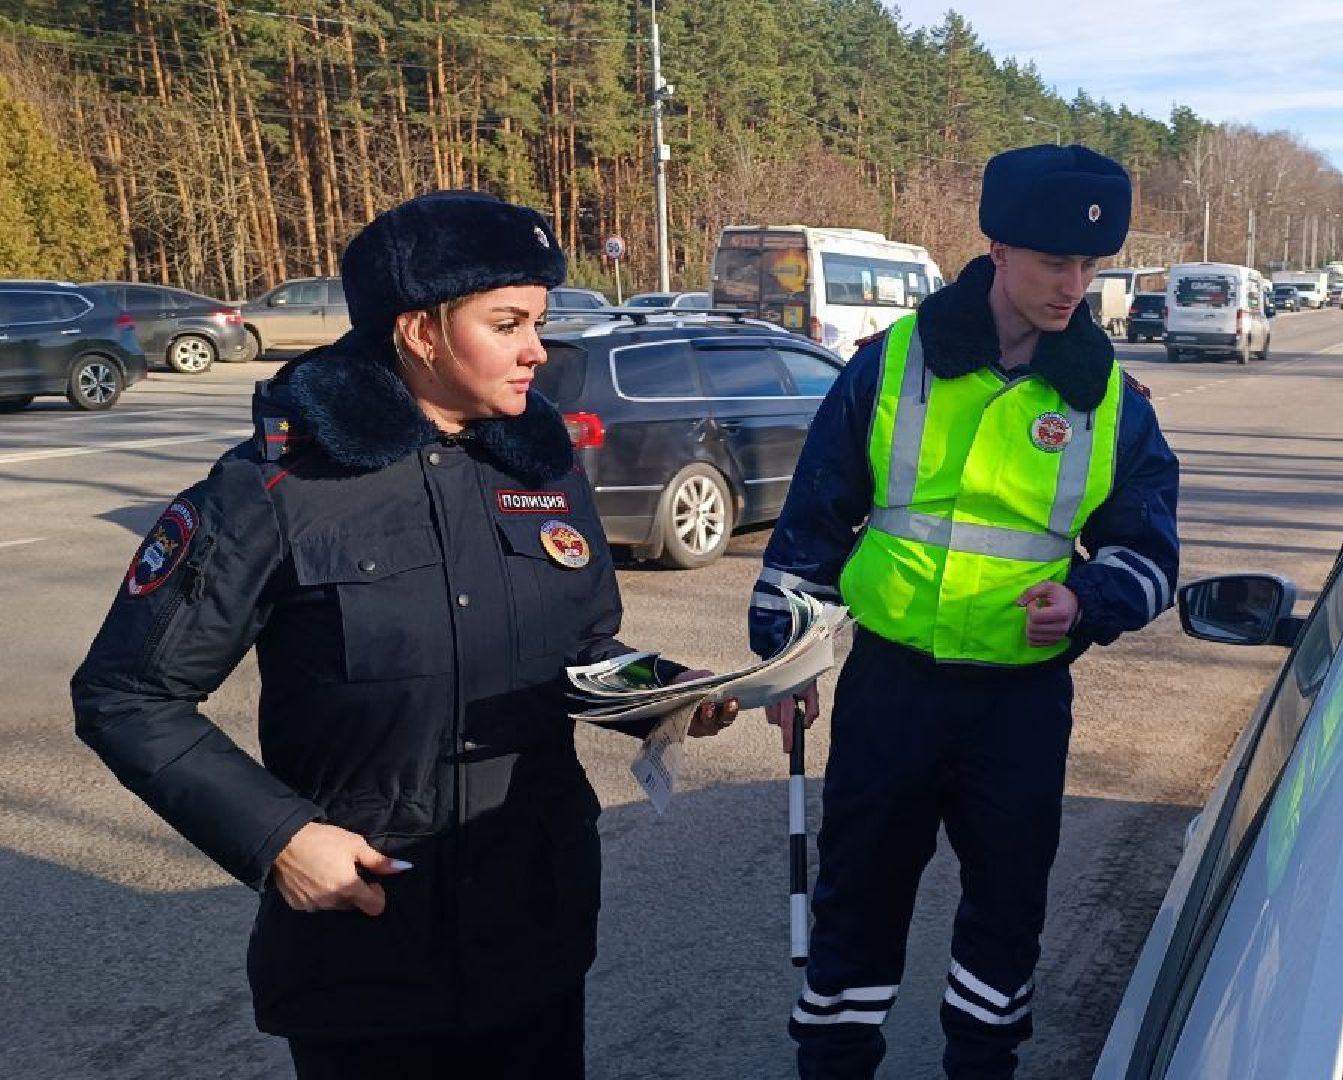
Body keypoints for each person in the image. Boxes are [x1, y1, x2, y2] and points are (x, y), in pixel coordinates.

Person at [71, 190, 736, 1079]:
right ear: (421, 331)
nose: (537, 350)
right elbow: (127, 695)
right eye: (507, 324)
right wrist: (280, 839)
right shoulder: (277, 488)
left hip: (533, 929)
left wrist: (668, 693)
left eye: (538, 322)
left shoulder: (540, 470)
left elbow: (581, 650)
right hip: (367, 947)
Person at [749, 144, 1181, 1080]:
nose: (1075, 286)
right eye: (1054, 261)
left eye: (1090, 265)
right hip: (891, 689)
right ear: (998, 250)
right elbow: (812, 522)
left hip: (1020, 706)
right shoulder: (890, 364)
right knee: (857, 901)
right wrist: (786, 665)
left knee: (1007, 910)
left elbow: (1150, 554)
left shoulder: (1111, 397)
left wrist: (1088, 600)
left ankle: (984, 1065)